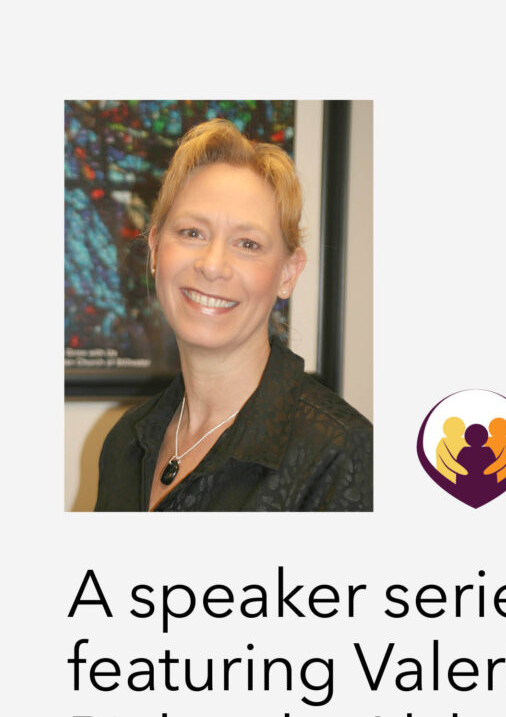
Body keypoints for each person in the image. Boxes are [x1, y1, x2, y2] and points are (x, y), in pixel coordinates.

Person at [93, 120, 373, 511]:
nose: (212, 265)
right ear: (155, 249)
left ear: (288, 273)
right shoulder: (125, 443)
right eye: (192, 233)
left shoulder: (341, 454)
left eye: (247, 243)